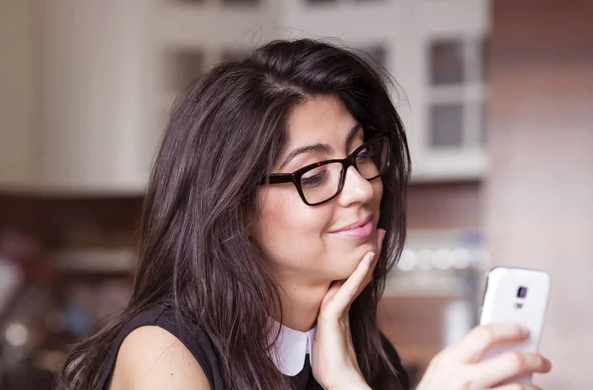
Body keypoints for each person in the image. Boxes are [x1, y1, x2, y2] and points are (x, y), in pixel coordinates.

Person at [57, 39, 551, 390]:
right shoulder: (163, 353)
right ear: (232, 207)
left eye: (361, 155)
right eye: (312, 174)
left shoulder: (363, 355)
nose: (360, 187)